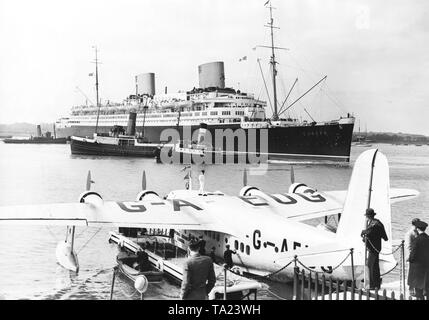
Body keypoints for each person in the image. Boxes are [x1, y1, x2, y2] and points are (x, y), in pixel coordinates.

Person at [360, 208, 388, 290]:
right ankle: (376, 284)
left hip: (373, 248)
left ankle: (373, 285)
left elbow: (369, 232)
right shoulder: (378, 223)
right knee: (375, 266)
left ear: (368, 216)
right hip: (375, 248)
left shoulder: (374, 224)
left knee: (371, 266)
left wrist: (363, 232)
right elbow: (385, 237)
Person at [408, 220, 429, 300]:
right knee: (426, 287)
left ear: (417, 229)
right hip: (426, 266)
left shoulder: (417, 240)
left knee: (418, 290)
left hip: (417, 268)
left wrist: (410, 259)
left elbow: (413, 255)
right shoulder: (428, 238)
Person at [405, 218, 420, 296]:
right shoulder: (410, 233)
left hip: (417, 256)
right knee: (411, 273)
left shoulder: (417, 232)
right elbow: (408, 246)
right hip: (412, 256)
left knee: (416, 273)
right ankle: (410, 289)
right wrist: (410, 257)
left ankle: (415, 288)